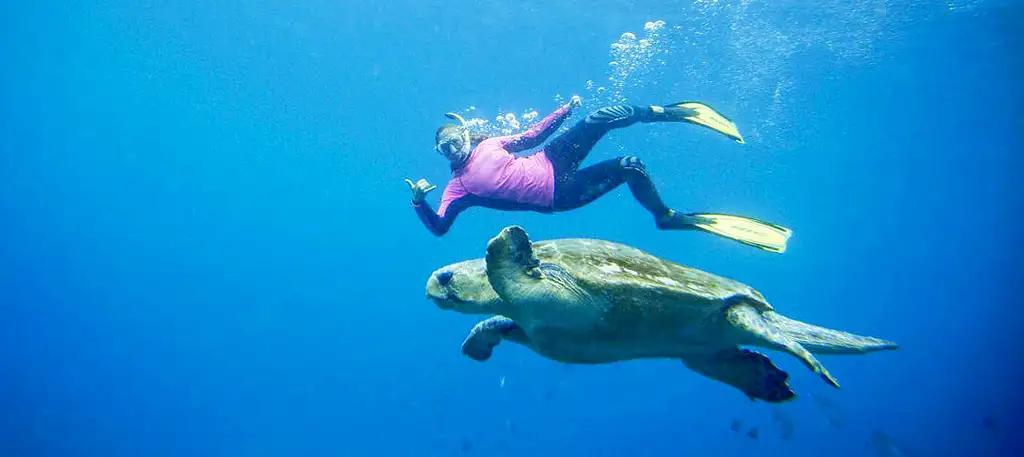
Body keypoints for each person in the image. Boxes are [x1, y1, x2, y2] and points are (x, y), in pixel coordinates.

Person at [404, 96, 792, 253]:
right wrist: (419, 203)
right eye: (445, 149)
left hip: (549, 159)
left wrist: (566, 110)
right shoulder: (458, 188)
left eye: (455, 140)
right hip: (560, 195)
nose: (453, 149)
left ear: (465, 135)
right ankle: (668, 219)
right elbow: (440, 228)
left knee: (602, 117)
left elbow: (532, 136)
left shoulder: (489, 144)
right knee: (630, 167)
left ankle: (673, 112)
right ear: (440, 155)